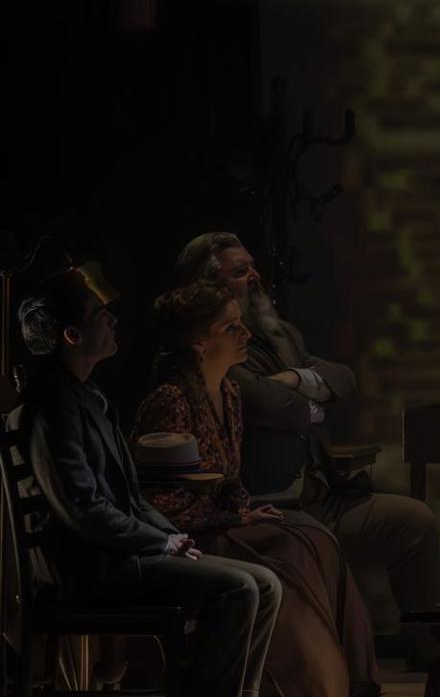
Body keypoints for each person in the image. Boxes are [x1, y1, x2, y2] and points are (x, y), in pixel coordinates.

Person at [10, 267, 281, 697]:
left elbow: (132, 497)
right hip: (92, 568)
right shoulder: (54, 404)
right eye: (99, 314)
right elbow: (83, 508)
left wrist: (172, 535)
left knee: (265, 584)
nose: (113, 320)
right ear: (72, 335)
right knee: (241, 588)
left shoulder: (88, 396)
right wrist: (159, 543)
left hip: (118, 555)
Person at [173, 233, 440, 635]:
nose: (255, 276)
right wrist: (309, 400)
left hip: (322, 492)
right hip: (274, 501)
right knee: (322, 549)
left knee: (415, 521)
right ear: (210, 288)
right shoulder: (216, 346)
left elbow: (343, 377)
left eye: (253, 266)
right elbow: (264, 403)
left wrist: (290, 378)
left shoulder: (281, 333)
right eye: (240, 272)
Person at [135, 280, 380, 697]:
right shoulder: (171, 401)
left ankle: (354, 680)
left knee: (314, 536)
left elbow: (230, 479)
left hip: (222, 520)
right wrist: (235, 517)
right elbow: (162, 502)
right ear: (198, 342)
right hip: (189, 536)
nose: (245, 334)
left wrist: (243, 508)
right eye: (231, 328)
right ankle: (304, 684)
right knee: (291, 549)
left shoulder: (229, 392)